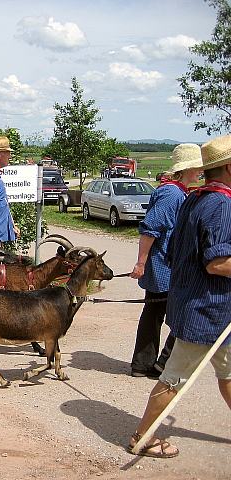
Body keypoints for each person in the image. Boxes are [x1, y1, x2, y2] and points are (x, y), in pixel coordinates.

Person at [128, 134, 231, 458]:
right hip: (208, 310)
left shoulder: (195, 198)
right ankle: (142, 436)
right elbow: (217, 263)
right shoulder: (221, 204)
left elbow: (173, 251)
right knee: (173, 378)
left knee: (229, 372)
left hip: (205, 307)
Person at [129, 144, 203, 378]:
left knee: (155, 313)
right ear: (187, 169)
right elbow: (150, 229)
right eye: (197, 168)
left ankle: (147, 364)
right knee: (179, 314)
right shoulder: (171, 194)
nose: (200, 172)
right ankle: (157, 364)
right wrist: (141, 263)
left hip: (168, 266)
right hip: (164, 267)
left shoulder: (178, 192)